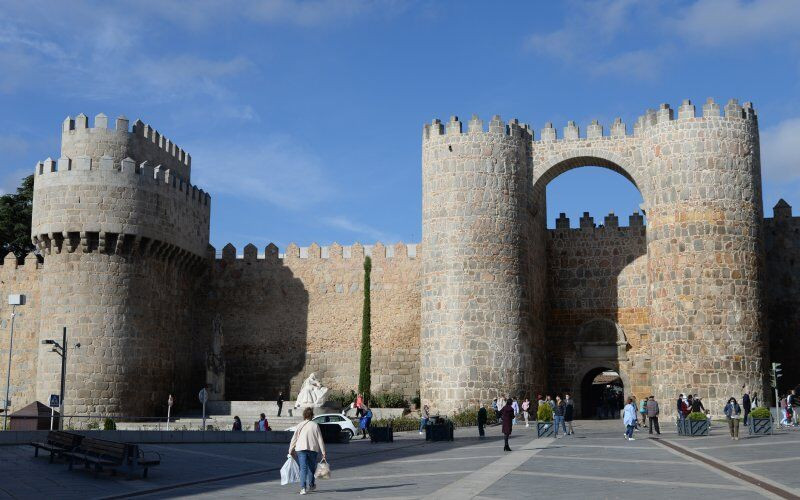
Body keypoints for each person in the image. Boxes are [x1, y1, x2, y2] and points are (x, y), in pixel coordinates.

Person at [288, 407, 327, 495]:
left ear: (304, 415)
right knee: (311, 468)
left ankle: (303, 488)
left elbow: (294, 438)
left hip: (301, 449)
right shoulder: (315, 425)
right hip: (312, 449)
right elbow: (320, 439)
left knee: (303, 469)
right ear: (312, 415)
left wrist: (290, 449)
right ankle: (311, 484)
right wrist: (323, 452)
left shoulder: (300, 425)